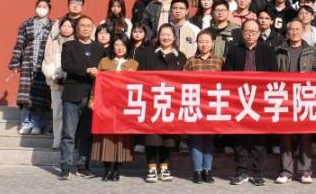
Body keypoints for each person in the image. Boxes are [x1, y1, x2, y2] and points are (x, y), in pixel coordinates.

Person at [224, 19, 278, 186]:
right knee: (239, 138)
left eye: (254, 31)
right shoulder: (234, 50)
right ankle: (241, 172)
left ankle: (258, 173)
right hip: (239, 99)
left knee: (259, 139)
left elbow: (274, 74)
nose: (250, 34)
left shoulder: (268, 51)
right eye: (247, 31)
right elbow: (227, 74)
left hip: (260, 100)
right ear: (242, 32)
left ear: (259, 33)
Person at [274, 19, 316, 184]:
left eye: (297, 29)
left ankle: (305, 171)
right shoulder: (279, 50)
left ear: (303, 31)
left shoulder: (312, 51)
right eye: (291, 29)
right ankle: (286, 171)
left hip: (305, 97)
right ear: (287, 32)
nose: (294, 32)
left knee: (305, 135)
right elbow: (272, 72)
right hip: (285, 97)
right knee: (285, 136)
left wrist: (308, 78)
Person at [58, 15, 101, 180]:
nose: (85, 28)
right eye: (82, 25)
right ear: (77, 28)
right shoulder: (69, 45)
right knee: (68, 134)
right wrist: (87, 70)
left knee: (86, 134)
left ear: (92, 28)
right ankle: (65, 167)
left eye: (89, 26)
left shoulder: (99, 48)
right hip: (72, 94)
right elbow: (66, 65)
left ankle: (83, 167)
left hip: (92, 97)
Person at [143, 24, 188, 182]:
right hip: (152, 100)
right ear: (158, 36)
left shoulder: (181, 56)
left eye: (169, 34)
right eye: (163, 34)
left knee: (169, 138)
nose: (166, 37)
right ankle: (151, 167)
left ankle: (164, 166)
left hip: (172, 102)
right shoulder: (149, 54)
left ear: (174, 37)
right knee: (152, 137)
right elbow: (141, 77)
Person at [91, 35, 137, 181]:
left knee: (121, 138)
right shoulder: (104, 61)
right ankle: (106, 169)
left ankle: (117, 169)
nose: (120, 48)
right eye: (117, 44)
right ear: (112, 47)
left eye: (123, 45)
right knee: (106, 136)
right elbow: (97, 83)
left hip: (124, 105)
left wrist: (134, 77)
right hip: (105, 104)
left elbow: (138, 86)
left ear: (128, 47)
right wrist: (92, 100)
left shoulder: (134, 64)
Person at [184, 29, 225, 184]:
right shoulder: (191, 61)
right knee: (195, 138)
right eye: (201, 41)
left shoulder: (219, 61)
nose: (204, 45)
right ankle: (197, 170)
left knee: (209, 138)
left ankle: (207, 170)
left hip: (213, 104)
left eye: (207, 42)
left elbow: (226, 82)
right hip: (195, 103)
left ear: (212, 43)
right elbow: (182, 81)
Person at [9, 0, 53, 135]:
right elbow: (19, 44)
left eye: (44, 7)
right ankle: (25, 123)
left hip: (43, 65)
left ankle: (38, 124)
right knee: (25, 96)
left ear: (49, 9)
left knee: (40, 96)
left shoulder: (53, 26)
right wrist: (15, 62)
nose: (41, 9)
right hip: (28, 63)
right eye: (39, 6)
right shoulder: (26, 24)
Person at [41, 16, 74, 149]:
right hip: (56, 83)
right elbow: (47, 61)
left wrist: (67, 78)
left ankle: (69, 140)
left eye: (69, 26)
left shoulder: (76, 44)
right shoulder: (53, 43)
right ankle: (57, 139)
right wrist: (53, 76)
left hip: (72, 84)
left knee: (71, 114)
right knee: (57, 113)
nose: (66, 29)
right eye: (64, 26)